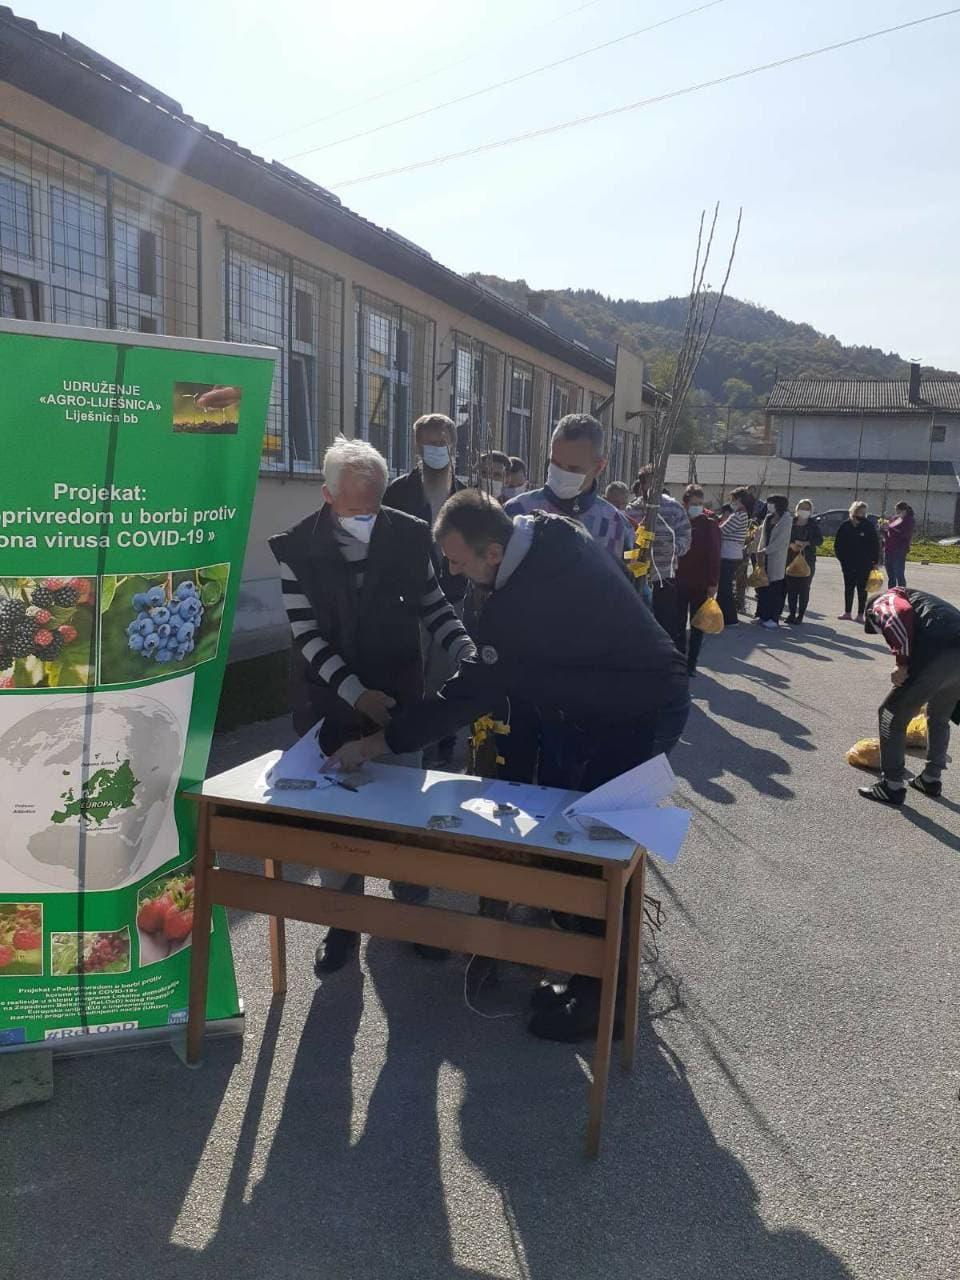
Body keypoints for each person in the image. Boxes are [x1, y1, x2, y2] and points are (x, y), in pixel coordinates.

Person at [324, 490, 691, 1040]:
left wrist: (377, 744)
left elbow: (473, 692)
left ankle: (601, 1007)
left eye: (457, 560)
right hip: (607, 704)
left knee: (601, 850)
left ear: (493, 552)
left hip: (640, 712)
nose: (451, 571)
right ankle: (592, 972)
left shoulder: (526, 596)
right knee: (584, 838)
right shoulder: (542, 532)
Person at [269, 436, 475, 974]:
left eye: (375, 504)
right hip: (328, 704)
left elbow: (434, 606)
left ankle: (414, 914)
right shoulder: (295, 548)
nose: (368, 515)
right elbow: (307, 635)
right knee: (341, 824)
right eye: (357, 507)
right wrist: (355, 691)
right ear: (328, 495)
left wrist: (468, 652)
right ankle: (342, 926)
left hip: (399, 698)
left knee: (406, 814)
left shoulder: (407, 535)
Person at [384, 413, 466, 765]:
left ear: (453, 445)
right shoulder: (399, 491)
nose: (436, 450)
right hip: (410, 600)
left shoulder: (464, 494)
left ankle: (444, 737)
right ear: (418, 446)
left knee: (446, 672)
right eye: (429, 443)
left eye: (442, 443)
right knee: (414, 673)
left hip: (454, 596)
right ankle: (413, 734)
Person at [858, 587, 960, 805]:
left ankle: (892, 785)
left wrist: (901, 664)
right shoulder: (923, 600)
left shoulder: (884, 600)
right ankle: (931, 778)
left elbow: (900, 615)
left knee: (890, 714)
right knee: (939, 716)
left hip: (939, 651)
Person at [505, 414, 634, 562]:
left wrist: (643, 564)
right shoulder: (515, 511)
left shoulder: (619, 527)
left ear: (599, 467)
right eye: (555, 463)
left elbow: (636, 579)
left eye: (573, 468)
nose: (561, 473)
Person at [627, 464, 692, 640]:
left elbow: (686, 537)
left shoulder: (674, 508)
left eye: (658, 483)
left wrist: (673, 548)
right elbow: (625, 543)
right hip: (638, 576)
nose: (654, 488)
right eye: (649, 483)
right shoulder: (633, 509)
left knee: (666, 624)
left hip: (664, 575)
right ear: (642, 485)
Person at [675, 485, 721, 675]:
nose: (697, 507)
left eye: (700, 504)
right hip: (678, 580)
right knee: (677, 623)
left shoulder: (709, 525)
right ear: (685, 504)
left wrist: (713, 583)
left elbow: (714, 556)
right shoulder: (678, 522)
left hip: (700, 583)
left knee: (697, 624)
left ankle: (691, 663)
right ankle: (678, 659)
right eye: (694, 503)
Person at [834, 501, 880, 622]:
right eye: (860, 512)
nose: (863, 515)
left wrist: (875, 562)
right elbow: (838, 545)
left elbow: (875, 545)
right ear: (854, 511)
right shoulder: (845, 526)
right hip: (848, 564)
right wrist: (842, 560)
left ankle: (860, 614)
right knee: (848, 588)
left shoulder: (868, 526)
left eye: (864, 512)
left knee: (862, 589)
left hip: (864, 564)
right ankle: (847, 612)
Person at [755, 494, 792, 629]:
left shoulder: (786, 520)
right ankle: (763, 615)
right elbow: (762, 537)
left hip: (776, 557)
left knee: (775, 589)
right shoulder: (768, 517)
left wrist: (766, 550)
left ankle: (773, 618)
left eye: (771, 503)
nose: (768, 505)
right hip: (764, 556)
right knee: (763, 587)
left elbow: (781, 541)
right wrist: (759, 551)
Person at [784, 499, 823, 625]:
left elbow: (819, 540)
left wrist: (807, 543)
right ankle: (791, 613)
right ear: (797, 508)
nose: (804, 510)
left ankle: (800, 615)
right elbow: (783, 537)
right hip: (791, 558)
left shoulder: (813, 524)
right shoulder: (791, 522)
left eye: (807, 508)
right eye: (802, 507)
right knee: (791, 588)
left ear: (811, 511)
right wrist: (791, 544)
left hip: (807, 559)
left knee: (804, 588)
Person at [717, 486, 750, 625]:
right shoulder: (738, 514)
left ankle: (730, 618)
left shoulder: (739, 515)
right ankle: (721, 616)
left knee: (725, 588)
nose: (731, 502)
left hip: (729, 555)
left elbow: (722, 530)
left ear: (739, 500)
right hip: (731, 554)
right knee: (724, 587)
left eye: (733, 499)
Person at [883, 501, 915, 589]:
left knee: (899, 575)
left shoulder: (909, 520)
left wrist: (890, 529)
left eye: (898, 511)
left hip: (899, 550)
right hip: (889, 548)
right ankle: (891, 594)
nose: (896, 513)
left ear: (904, 510)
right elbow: (889, 534)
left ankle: (902, 593)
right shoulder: (895, 519)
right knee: (891, 576)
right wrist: (884, 530)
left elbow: (905, 535)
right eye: (896, 511)